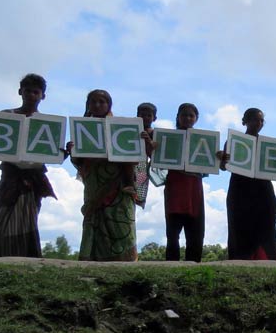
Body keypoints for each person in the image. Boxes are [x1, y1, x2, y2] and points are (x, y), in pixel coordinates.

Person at [0, 74, 62, 257]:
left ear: (42, 96)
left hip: (32, 181)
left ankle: (24, 261)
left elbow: (53, 154)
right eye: (28, 91)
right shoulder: (5, 117)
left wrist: (64, 152)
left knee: (26, 220)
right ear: (20, 92)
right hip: (10, 178)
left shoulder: (48, 124)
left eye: (36, 92)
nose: (31, 95)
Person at [71, 89, 149, 261]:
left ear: (109, 105)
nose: (97, 105)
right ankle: (91, 257)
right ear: (88, 105)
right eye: (93, 102)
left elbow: (139, 158)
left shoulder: (121, 127)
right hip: (94, 182)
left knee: (121, 218)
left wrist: (141, 141)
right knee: (95, 217)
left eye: (102, 102)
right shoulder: (82, 129)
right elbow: (78, 161)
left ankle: (125, 259)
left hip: (119, 183)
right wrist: (73, 150)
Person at [220, 108, 276, 260]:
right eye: (254, 119)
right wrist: (222, 160)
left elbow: (275, 168)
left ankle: (265, 259)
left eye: (260, 120)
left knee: (266, 221)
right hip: (240, 189)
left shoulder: (268, 144)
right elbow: (223, 167)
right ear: (245, 121)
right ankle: (241, 259)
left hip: (262, 189)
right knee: (240, 224)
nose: (258, 123)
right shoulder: (234, 141)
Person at [164, 103, 206, 263]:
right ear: (178, 117)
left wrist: (217, 156)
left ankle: (194, 263)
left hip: (194, 187)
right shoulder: (168, 139)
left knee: (195, 229)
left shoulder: (203, 141)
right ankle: (172, 263)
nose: (188, 118)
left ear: (196, 119)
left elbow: (213, 163)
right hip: (175, 186)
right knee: (173, 231)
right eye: (184, 115)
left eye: (191, 115)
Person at [133, 102, 158, 209]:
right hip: (127, 164)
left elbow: (153, 155)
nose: (145, 118)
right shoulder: (131, 129)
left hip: (141, 167)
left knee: (134, 194)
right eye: (142, 115)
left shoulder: (153, 133)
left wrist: (148, 140)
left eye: (149, 115)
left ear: (154, 118)